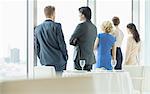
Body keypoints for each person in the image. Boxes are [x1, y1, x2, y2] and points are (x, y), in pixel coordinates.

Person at [34, 5, 68, 72]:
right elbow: (62, 44)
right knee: (58, 82)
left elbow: (37, 47)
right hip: (58, 61)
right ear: (53, 14)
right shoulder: (57, 26)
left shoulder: (37, 28)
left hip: (45, 61)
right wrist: (65, 57)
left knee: (47, 82)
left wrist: (41, 58)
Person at [69, 6, 97, 71]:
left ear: (83, 15)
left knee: (79, 80)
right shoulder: (94, 27)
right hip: (90, 59)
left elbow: (71, 41)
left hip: (80, 58)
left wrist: (77, 41)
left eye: (80, 14)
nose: (79, 15)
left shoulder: (81, 26)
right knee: (87, 79)